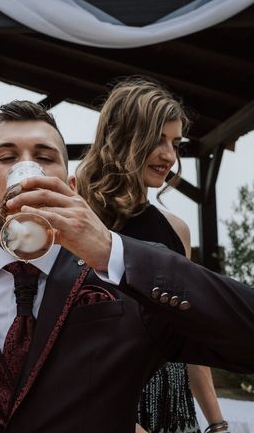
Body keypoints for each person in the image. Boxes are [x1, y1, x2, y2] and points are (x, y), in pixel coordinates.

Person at [0, 100, 254, 433]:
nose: (27, 168)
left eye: (44, 157)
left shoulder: (123, 275)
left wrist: (111, 251)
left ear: (69, 185)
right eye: (7, 157)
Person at [76, 78, 227, 433]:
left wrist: (217, 424)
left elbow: (190, 338)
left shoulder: (178, 232)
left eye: (175, 143)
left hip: (173, 410)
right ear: (123, 135)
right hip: (99, 408)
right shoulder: (77, 221)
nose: (170, 156)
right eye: (158, 139)